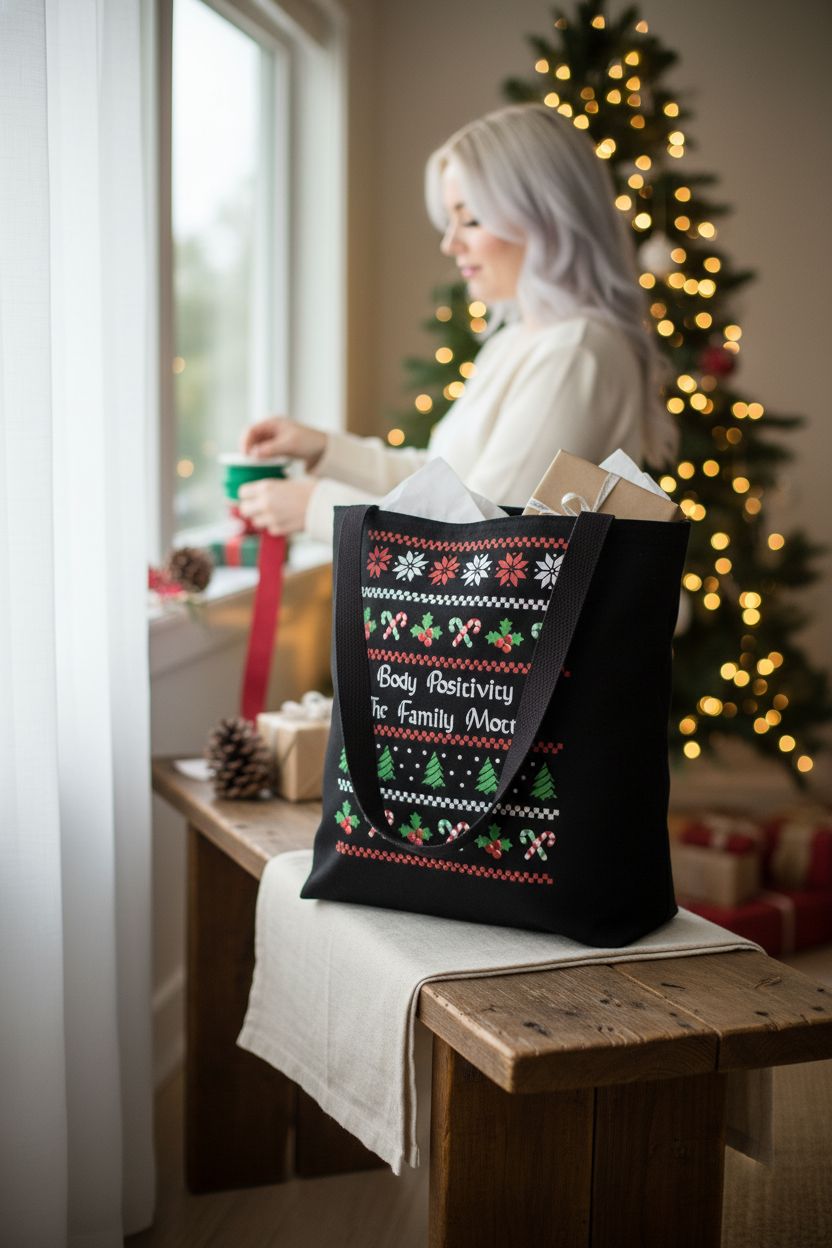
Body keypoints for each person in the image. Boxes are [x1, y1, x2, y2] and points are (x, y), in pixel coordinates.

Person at [237, 102, 677, 541]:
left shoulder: (576, 353)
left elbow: (486, 539)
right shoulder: (513, 342)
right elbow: (441, 485)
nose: (450, 243)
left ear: (544, 216)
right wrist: (324, 448)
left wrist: (317, 509)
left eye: (470, 219)